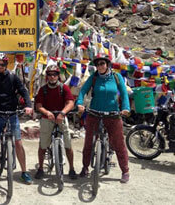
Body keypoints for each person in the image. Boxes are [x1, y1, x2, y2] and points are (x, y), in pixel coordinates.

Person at [0, 53, 33, 185]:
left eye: (3, 64)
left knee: (19, 143)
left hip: (11, 114)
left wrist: (28, 105)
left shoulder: (13, 77)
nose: (0, 67)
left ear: (6, 65)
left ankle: (24, 172)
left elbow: (24, 91)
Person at [76, 54, 130, 183]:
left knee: (119, 143)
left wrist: (126, 108)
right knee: (88, 142)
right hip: (94, 113)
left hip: (113, 114)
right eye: (98, 64)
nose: (100, 66)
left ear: (107, 65)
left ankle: (125, 171)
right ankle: (85, 167)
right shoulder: (94, 77)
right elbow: (83, 90)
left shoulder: (116, 77)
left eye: (102, 64)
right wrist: (79, 103)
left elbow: (124, 93)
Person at [34, 65, 77, 180]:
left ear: (58, 76)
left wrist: (62, 113)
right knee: (43, 145)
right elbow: (39, 106)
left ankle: (72, 168)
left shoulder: (64, 88)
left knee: (68, 144)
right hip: (47, 118)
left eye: (55, 74)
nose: (52, 77)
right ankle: (41, 169)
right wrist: (47, 113)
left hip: (61, 117)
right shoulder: (43, 89)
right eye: (50, 75)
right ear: (47, 76)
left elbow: (70, 103)